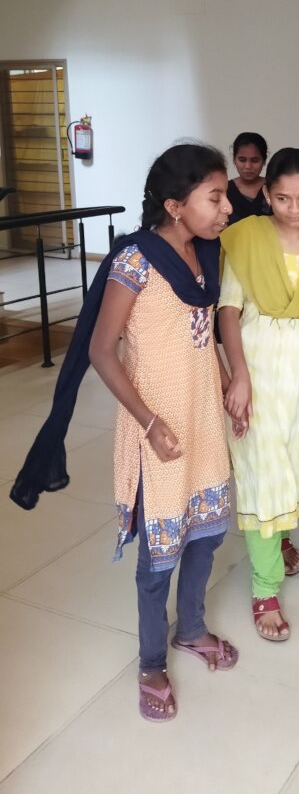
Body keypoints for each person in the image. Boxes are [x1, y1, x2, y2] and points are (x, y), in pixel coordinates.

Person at [12, 142, 241, 723]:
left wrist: (229, 383)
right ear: (173, 203)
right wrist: (149, 420)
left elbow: (206, 331)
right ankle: (149, 662)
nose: (226, 209)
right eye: (214, 198)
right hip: (156, 425)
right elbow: (100, 350)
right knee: (158, 556)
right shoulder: (135, 261)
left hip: (202, 419)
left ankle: (190, 628)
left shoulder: (207, 255)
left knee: (206, 532)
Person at [218, 148, 299, 641]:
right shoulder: (245, 238)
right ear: (266, 193)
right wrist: (238, 376)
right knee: (263, 471)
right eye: (283, 198)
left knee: (296, 460)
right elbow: (227, 309)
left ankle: (281, 536)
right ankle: (265, 587)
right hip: (260, 366)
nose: (294, 208)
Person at [226, 131, 271, 222]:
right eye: (242, 160)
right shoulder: (225, 190)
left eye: (254, 160)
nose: (248, 166)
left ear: (264, 160)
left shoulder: (273, 188)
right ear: (234, 159)